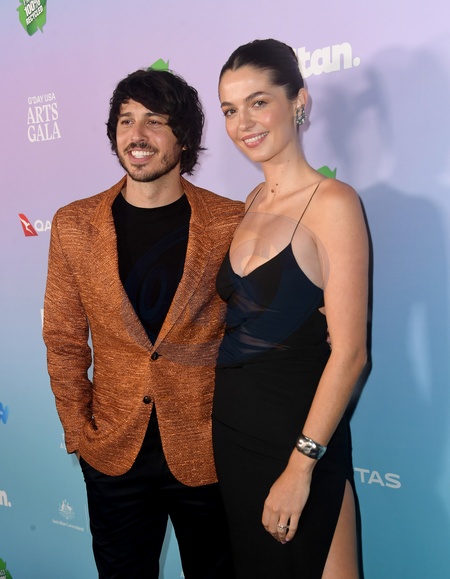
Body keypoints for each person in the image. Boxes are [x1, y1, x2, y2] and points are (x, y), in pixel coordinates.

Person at [43, 68, 243, 579]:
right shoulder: (73, 224)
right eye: (126, 120)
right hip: (113, 450)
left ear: (185, 137)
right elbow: (64, 338)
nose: (137, 135)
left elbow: (254, 333)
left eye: (155, 121)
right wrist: (79, 432)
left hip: (209, 450)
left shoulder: (231, 221)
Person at [212, 39, 369, 578]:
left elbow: (350, 354)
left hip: (301, 438)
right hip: (234, 435)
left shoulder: (334, 203)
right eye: (230, 109)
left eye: (258, 102)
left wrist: (301, 466)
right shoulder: (251, 203)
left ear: (298, 101)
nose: (243, 123)